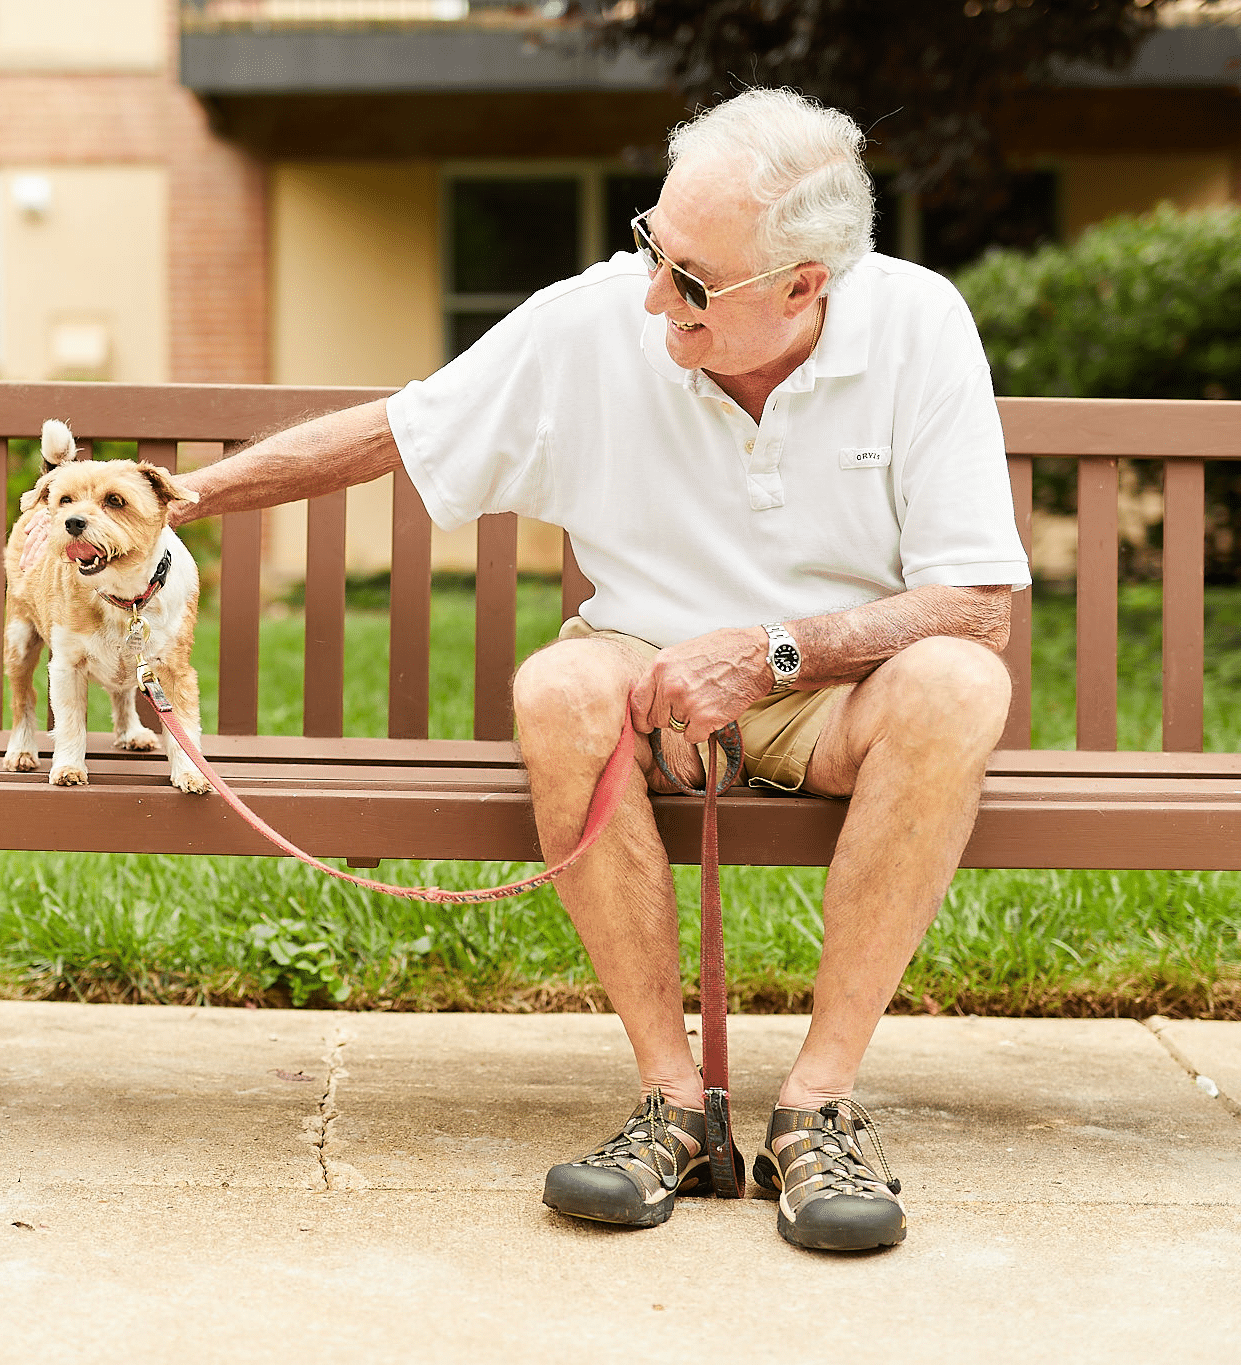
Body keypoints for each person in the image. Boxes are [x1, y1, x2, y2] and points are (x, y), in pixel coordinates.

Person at [164, 87, 1028, 1252]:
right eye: (650, 248)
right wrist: (182, 496)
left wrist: (773, 652)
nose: (654, 295)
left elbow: (975, 605)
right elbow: (394, 432)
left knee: (959, 682)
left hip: (829, 691)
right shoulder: (588, 324)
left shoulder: (918, 323)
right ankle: (674, 1107)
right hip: (643, 677)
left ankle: (817, 1107)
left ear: (802, 286)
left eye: (692, 281)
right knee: (557, 685)